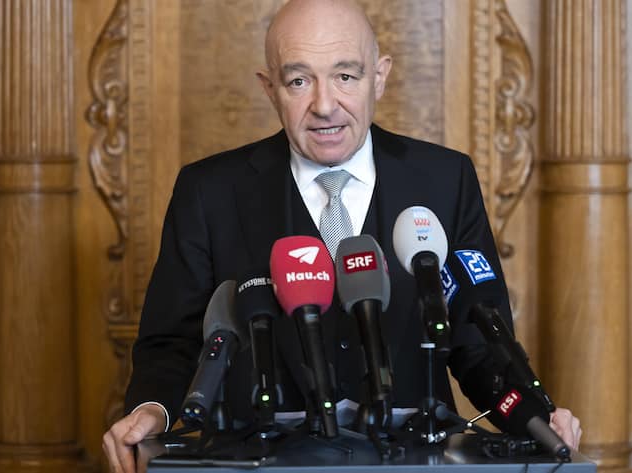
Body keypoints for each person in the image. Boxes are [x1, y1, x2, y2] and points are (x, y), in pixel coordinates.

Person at [102, 1, 582, 471]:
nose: (325, 105)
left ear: (380, 77)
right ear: (270, 88)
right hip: (258, 461)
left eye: (346, 76)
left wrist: (532, 415)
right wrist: (152, 411)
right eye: (299, 81)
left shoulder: (445, 180)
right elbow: (172, 344)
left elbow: (480, 344)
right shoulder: (209, 191)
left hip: (412, 463)